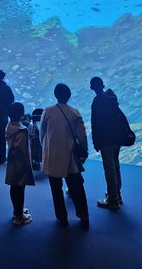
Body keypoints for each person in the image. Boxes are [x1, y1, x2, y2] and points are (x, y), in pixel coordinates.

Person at [40, 83, 89, 229]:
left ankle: (62, 217)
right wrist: (84, 151)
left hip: (52, 156)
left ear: (55, 95)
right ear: (69, 96)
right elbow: (82, 135)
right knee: (77, 187)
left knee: (56, 189)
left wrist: (45, 149)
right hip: (70, 157)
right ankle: (83, 215)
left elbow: (42, 133)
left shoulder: (48, 111)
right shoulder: (74, 112)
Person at [90, 76, 129, 209]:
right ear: (103, 85)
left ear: (92, 88)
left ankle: (112, 200)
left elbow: (95, 124)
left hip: (105, 140)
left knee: (109, 168)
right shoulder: (112, 97)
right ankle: (117, 194)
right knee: (115, 166)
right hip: (116, 138)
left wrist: (95, 142)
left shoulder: (97, 101)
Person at [6, 102, 35, 226]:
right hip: (21, 163)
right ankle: (19, 217)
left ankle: (16, 210)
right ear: (22, 114)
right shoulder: (22, 130)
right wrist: (27, 165)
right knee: (20, 188)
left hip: (12, 162)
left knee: (14, 187)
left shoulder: (9, 126)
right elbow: (23, 150)